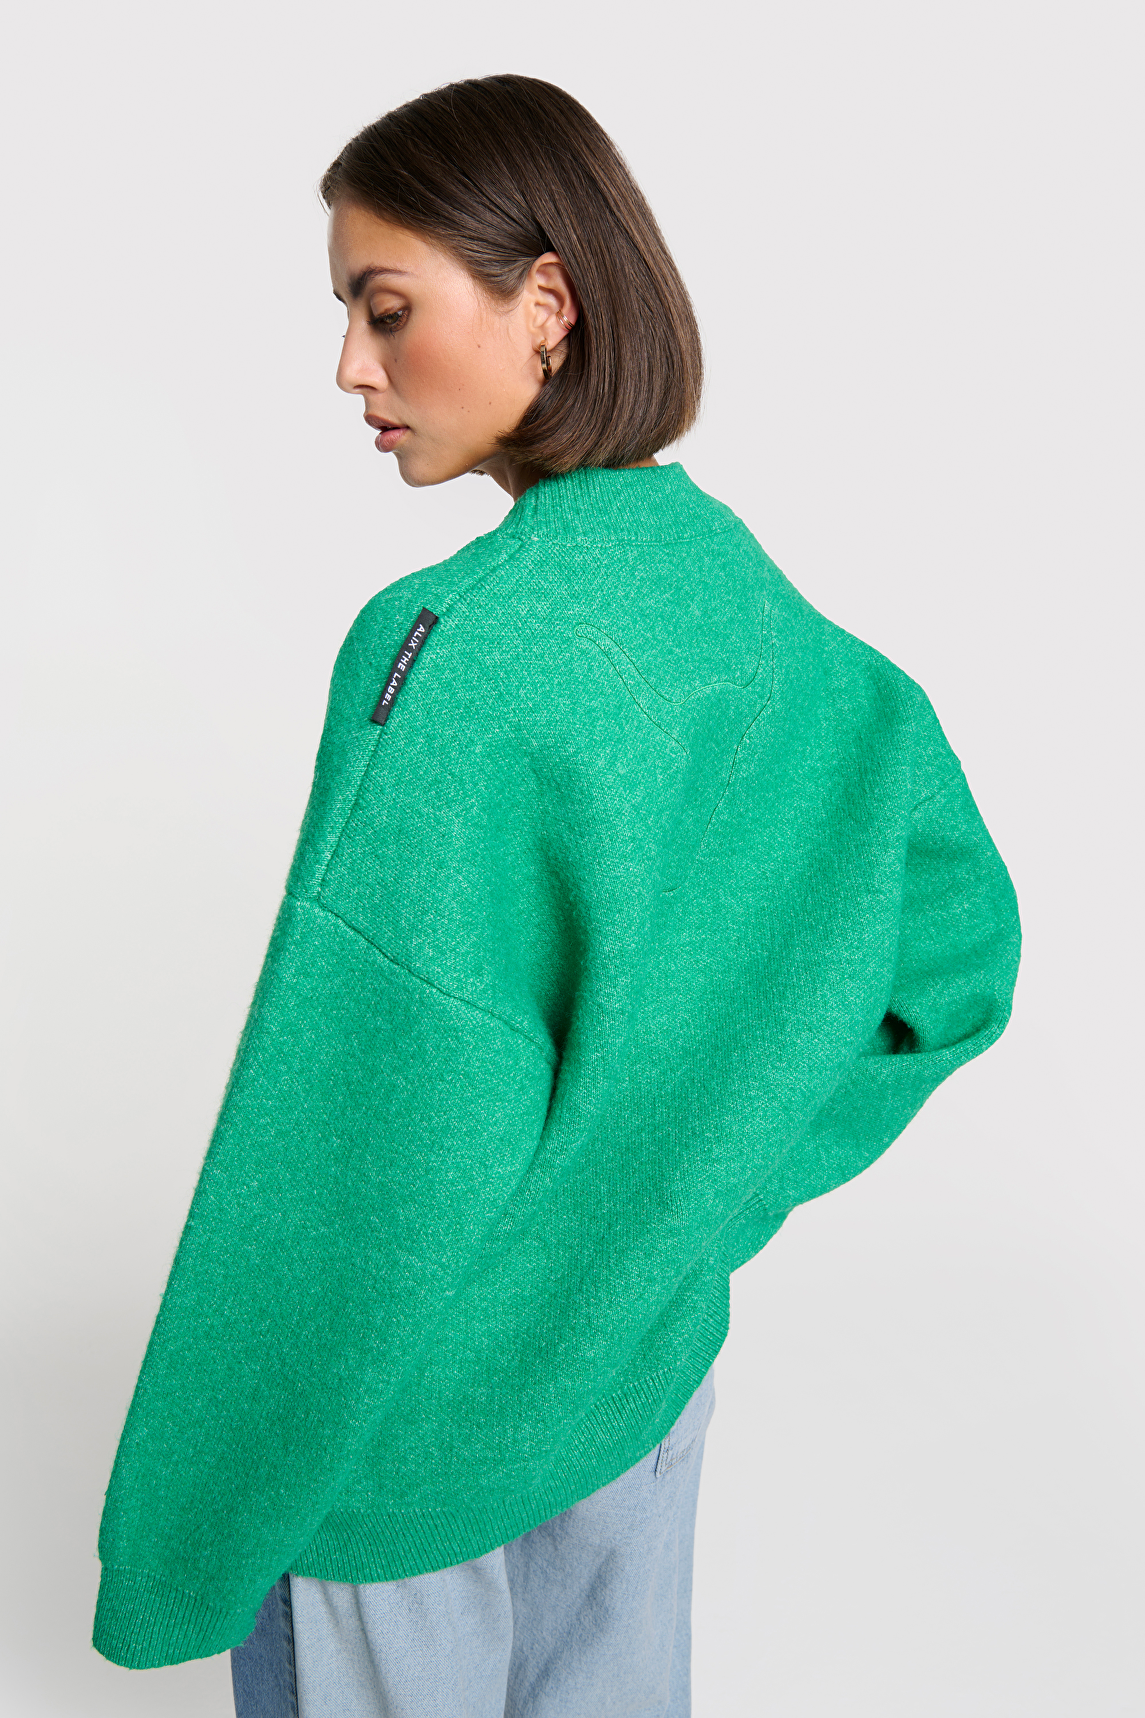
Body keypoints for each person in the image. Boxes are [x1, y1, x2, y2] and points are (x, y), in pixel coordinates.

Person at [91, 74, 1021, 1718]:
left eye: (387, 308)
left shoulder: (447, 651)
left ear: (548, 302)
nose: (350, 366)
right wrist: (679, 1207)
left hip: (406, 1460)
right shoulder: (755, 611)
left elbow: (351, 1145)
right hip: (636, 1386)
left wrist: (182, 1528)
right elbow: (955, 964)